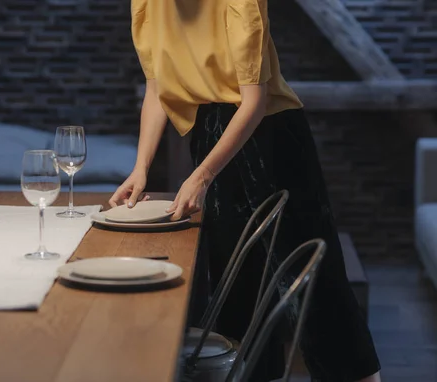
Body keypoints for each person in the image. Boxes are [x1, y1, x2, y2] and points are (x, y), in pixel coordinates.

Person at [109, 0, 382, 381]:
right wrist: (141, 168)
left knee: (317, 289)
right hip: (210, 140)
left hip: (270, 139)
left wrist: (202, 175)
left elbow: (253, 102)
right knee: (236, 290)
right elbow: (157, 89)